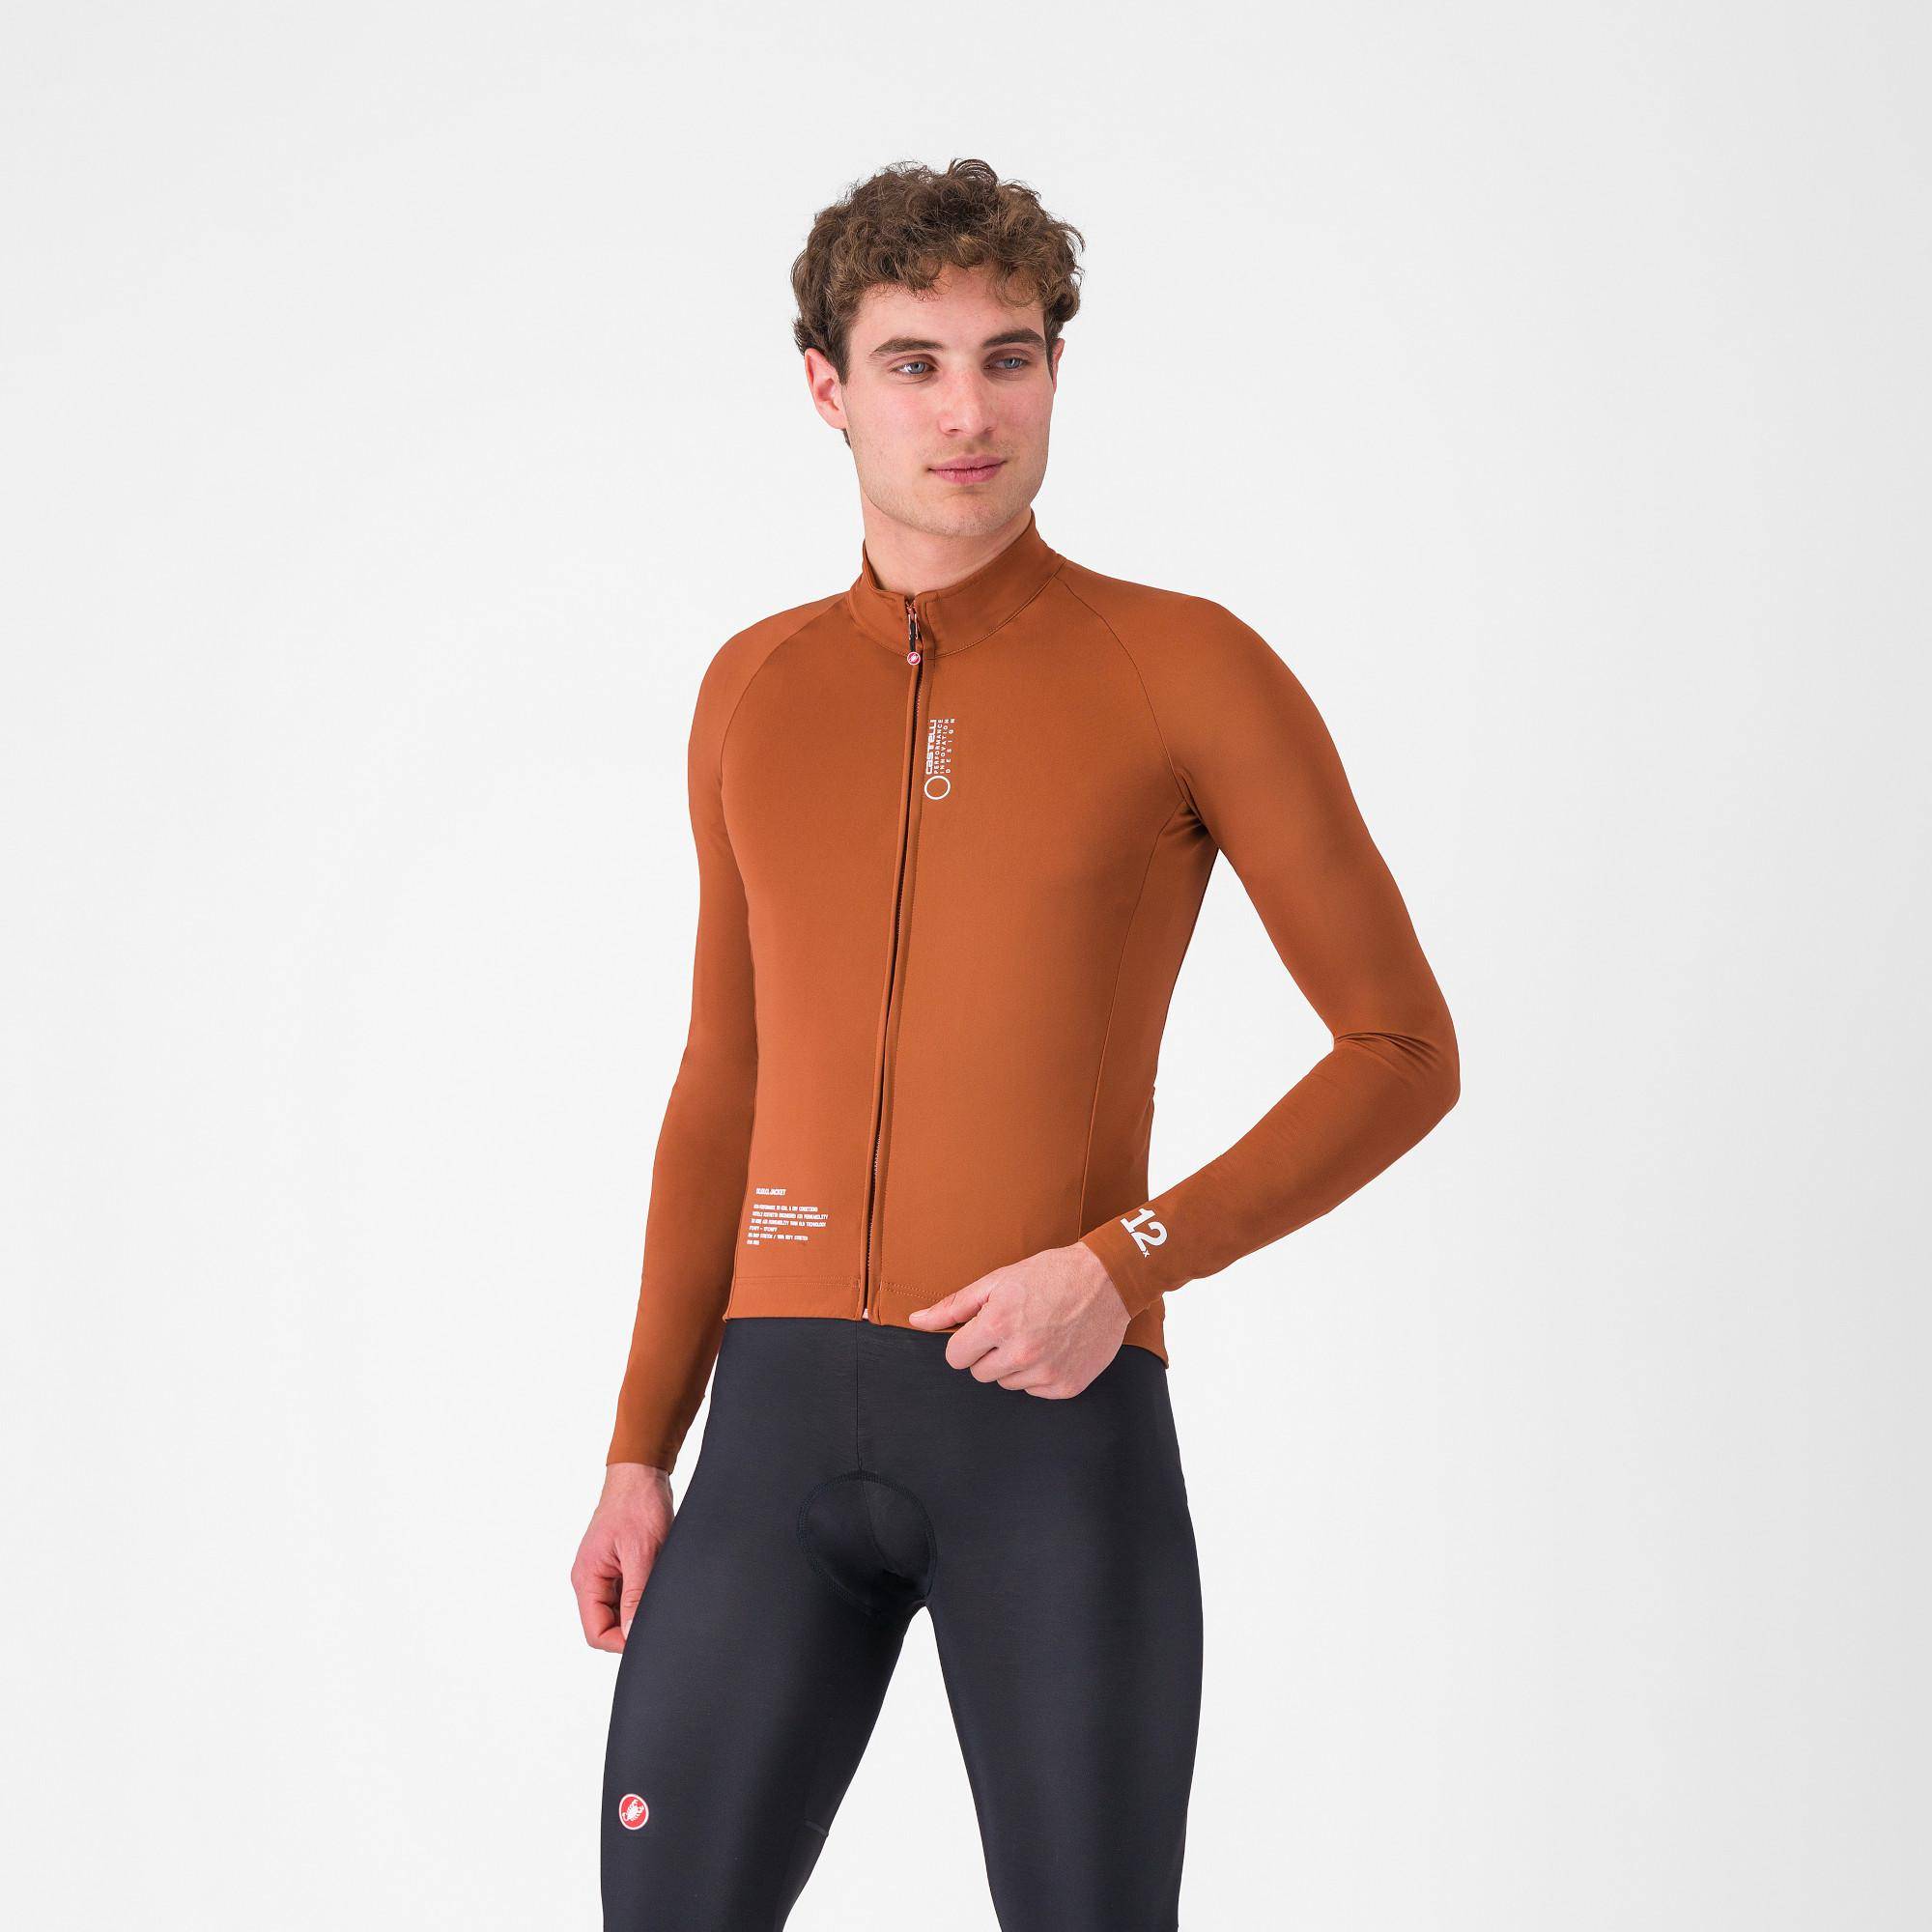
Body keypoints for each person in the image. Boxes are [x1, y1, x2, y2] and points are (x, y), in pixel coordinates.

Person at [573, 156, 1460, 1931]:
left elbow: (1399, 1046)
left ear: (1056, 369)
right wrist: (637, 1446)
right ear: (827, 386)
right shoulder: (753, 688)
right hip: (769, 1433)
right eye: (913, 363)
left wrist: (1121, 1266)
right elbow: (723, 1084)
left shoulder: (1183, 665)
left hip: (1050, 1434)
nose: (969, 411)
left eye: (1011, 357)